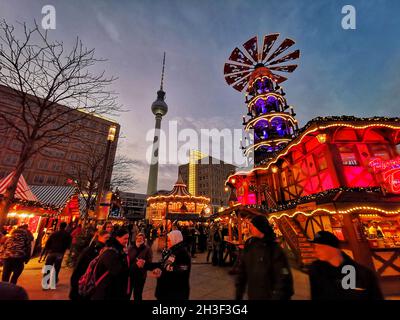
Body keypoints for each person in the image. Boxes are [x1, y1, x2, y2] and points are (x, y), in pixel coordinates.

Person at [309, 231, 384, 300]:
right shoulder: (314, 271)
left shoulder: (363, 274)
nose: (315, 250)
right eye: (315, 246)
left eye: (320, 247)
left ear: (334, 248)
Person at [236, 215, 294, 300]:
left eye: (252, 226)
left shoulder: (274, 249)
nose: (250, 228)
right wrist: (239, 293)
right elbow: (243, 271)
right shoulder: (250, 245)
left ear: (259, 227)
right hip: (253, 295)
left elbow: (283, 279)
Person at [148, 230, 191, 300]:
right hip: (167, 292)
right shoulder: (171, 251)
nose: (167, 242)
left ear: (175, 240)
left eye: (169, 240)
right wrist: (147, 265)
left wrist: (163, 271)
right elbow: (162, 264)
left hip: (174, 294)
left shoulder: (183, 254)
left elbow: (183, 268)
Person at [69, 230, 111, 300]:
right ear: (99, 237)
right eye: (106, 238)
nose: (107, 240)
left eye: (108, 238)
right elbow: (79, 267)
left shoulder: (102, 250)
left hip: (89, 284)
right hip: (83, 282)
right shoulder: (92, 250)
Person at [91, 228, 131, 300]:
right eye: (125, 238)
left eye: (128, 239)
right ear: (117, 238)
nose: (127, 241)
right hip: (106, 291)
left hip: (111, 289)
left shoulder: (119, 249)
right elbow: (118, 271)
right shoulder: (111, 252)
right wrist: (134, 268)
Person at [128, 233, 152, 301]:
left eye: (141, 238)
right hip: (131, 274)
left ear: (144, 240)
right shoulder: (131, 248)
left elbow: (149, 262)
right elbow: (127, 260)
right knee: (128, 293)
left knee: (138, 294)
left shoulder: (147, 249)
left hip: (140, 275)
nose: (139, 239)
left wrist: (143, 263)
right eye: (138, 238)